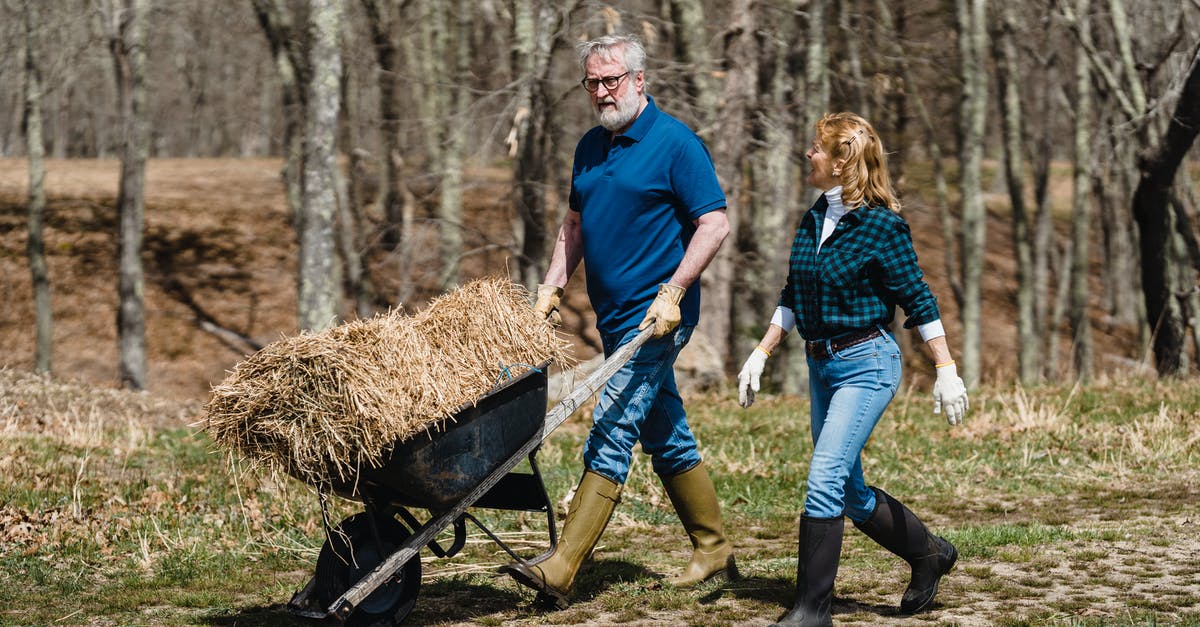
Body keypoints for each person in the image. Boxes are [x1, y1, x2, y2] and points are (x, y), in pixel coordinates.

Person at [501, 34, 736, 609]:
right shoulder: (590, 146)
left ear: (638, 79)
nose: (603, 92)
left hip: (657, 318)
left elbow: (715, 224)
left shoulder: (676, 144)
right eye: (593, 82)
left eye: (612, 80)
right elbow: (574, 225)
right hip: (612, 317)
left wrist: (673, 291)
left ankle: (562, 567)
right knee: (664, 430)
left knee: (611, 425)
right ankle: (715, 549)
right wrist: (552, 285)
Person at [736, 112, 968, 626]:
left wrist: (946, 368)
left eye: (816, 149)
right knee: (846, 490)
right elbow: (794, 294)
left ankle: (812, 612)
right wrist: (762, 351)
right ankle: (929, 554)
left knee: (823, 479)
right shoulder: (815, 215)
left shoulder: (883, 226)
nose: (808, 154)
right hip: (821, 364)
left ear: (842, 161)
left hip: (867, 364)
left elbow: (920, 300)